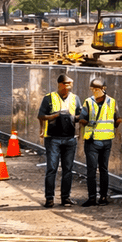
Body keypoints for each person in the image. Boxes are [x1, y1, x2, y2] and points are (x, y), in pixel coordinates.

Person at [37, 73, 80, 208]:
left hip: (69, 138)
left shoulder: (75, 98)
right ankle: (49, 198)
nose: (69, 87)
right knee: (52, 168)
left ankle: (65, 198)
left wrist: (73, 117)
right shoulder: (49, 98)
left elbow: (80, 115)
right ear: (60, 84)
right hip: (53, 139)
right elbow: (41, 116)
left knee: (68, 169)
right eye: (66, 84)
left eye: (70, 84)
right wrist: (55, 116)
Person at [78, 77, 122, 206]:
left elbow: (82, 119)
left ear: (103, 89)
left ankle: (93, 198)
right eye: (93, 89)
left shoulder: (89, 102)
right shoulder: (112, 102)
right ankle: (103, 197)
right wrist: (112, 128)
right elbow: (118, 119)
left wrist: (88, 123)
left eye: (96, 89)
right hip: (106, 140)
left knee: (92, 170)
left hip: (94, 141)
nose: (94, 91)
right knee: (103, 169)